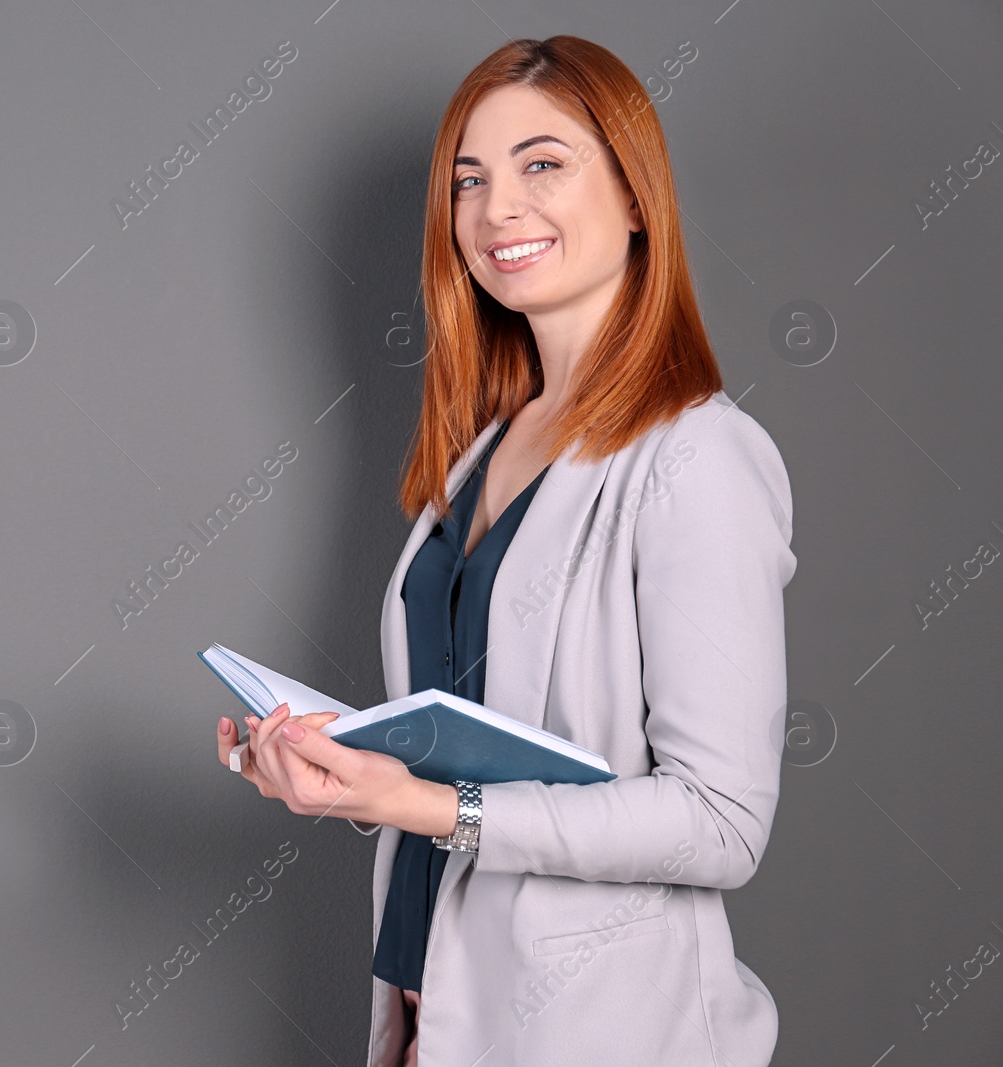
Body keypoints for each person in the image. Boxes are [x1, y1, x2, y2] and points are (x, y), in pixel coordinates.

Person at [214, 35, 795, 1067]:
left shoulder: (698, 456)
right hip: (429, 1008)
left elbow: (719, 822)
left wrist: (428, 802)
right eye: (468, 181)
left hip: (602, 1030)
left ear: (631, 195)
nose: (495, 210)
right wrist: (345, 772)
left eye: (541, 165)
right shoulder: (486, 444)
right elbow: (475, 746)